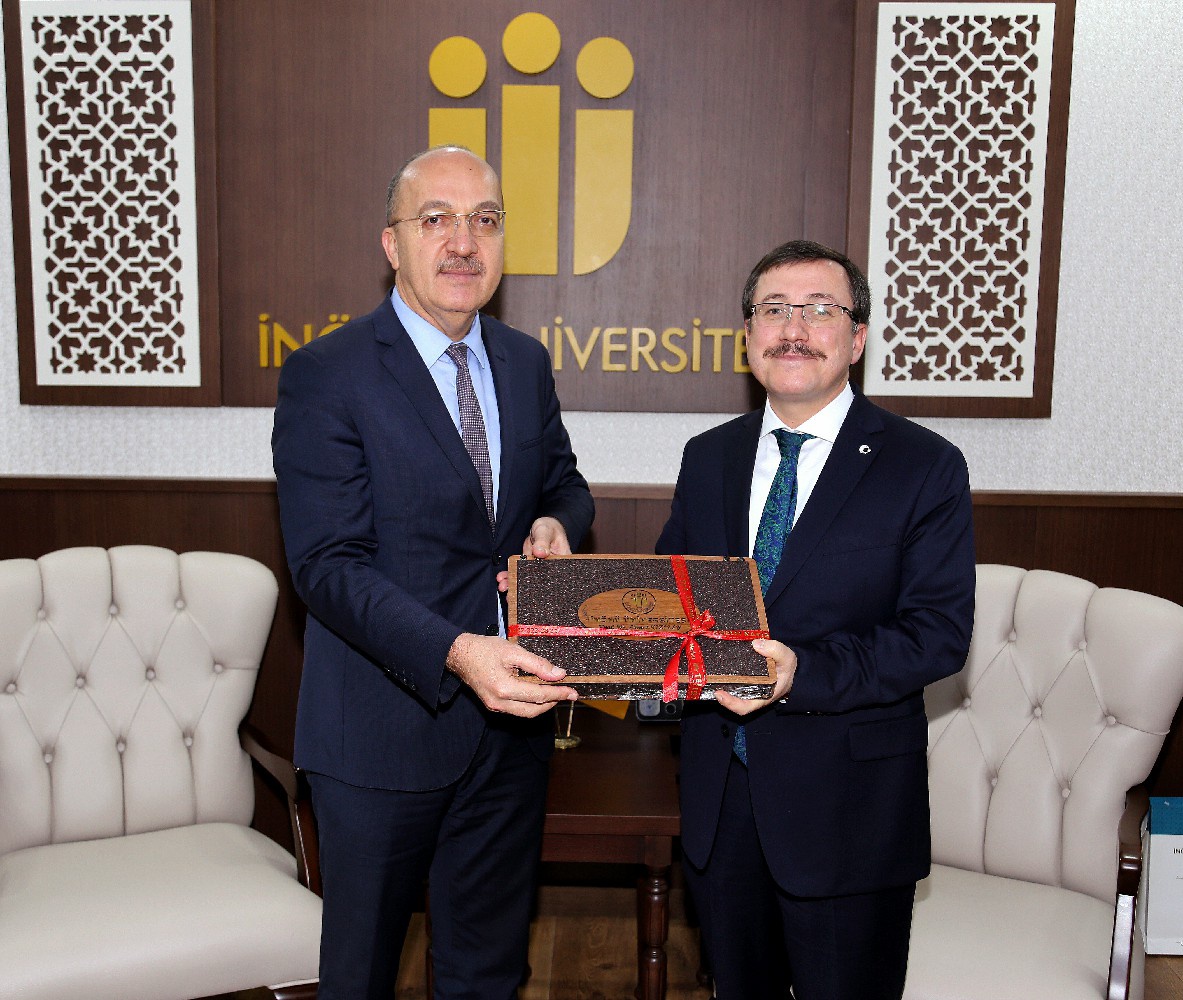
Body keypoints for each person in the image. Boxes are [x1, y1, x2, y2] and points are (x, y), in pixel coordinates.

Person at [272, 146, 594, 1000]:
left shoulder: (523, 361)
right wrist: (457, 652)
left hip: (511, 734)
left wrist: (556, 523)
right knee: (361, 975)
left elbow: (562, 482)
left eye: (484, 220)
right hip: (379, 732)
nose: (462, 241)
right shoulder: (326, 374)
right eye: (436, 219)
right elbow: (327, 566)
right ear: (392, 244)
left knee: (488, 971)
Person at [656, 240, 975, 999]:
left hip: (850, 813)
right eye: (773, 310)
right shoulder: (708, 457)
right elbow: (676, 601)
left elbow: (936, 634)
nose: (793, 329)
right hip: (721, 802)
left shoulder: (923, 465)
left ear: (857, 338)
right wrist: (568, 615)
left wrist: (801, 672)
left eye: (819, 310)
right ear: (747, 335)